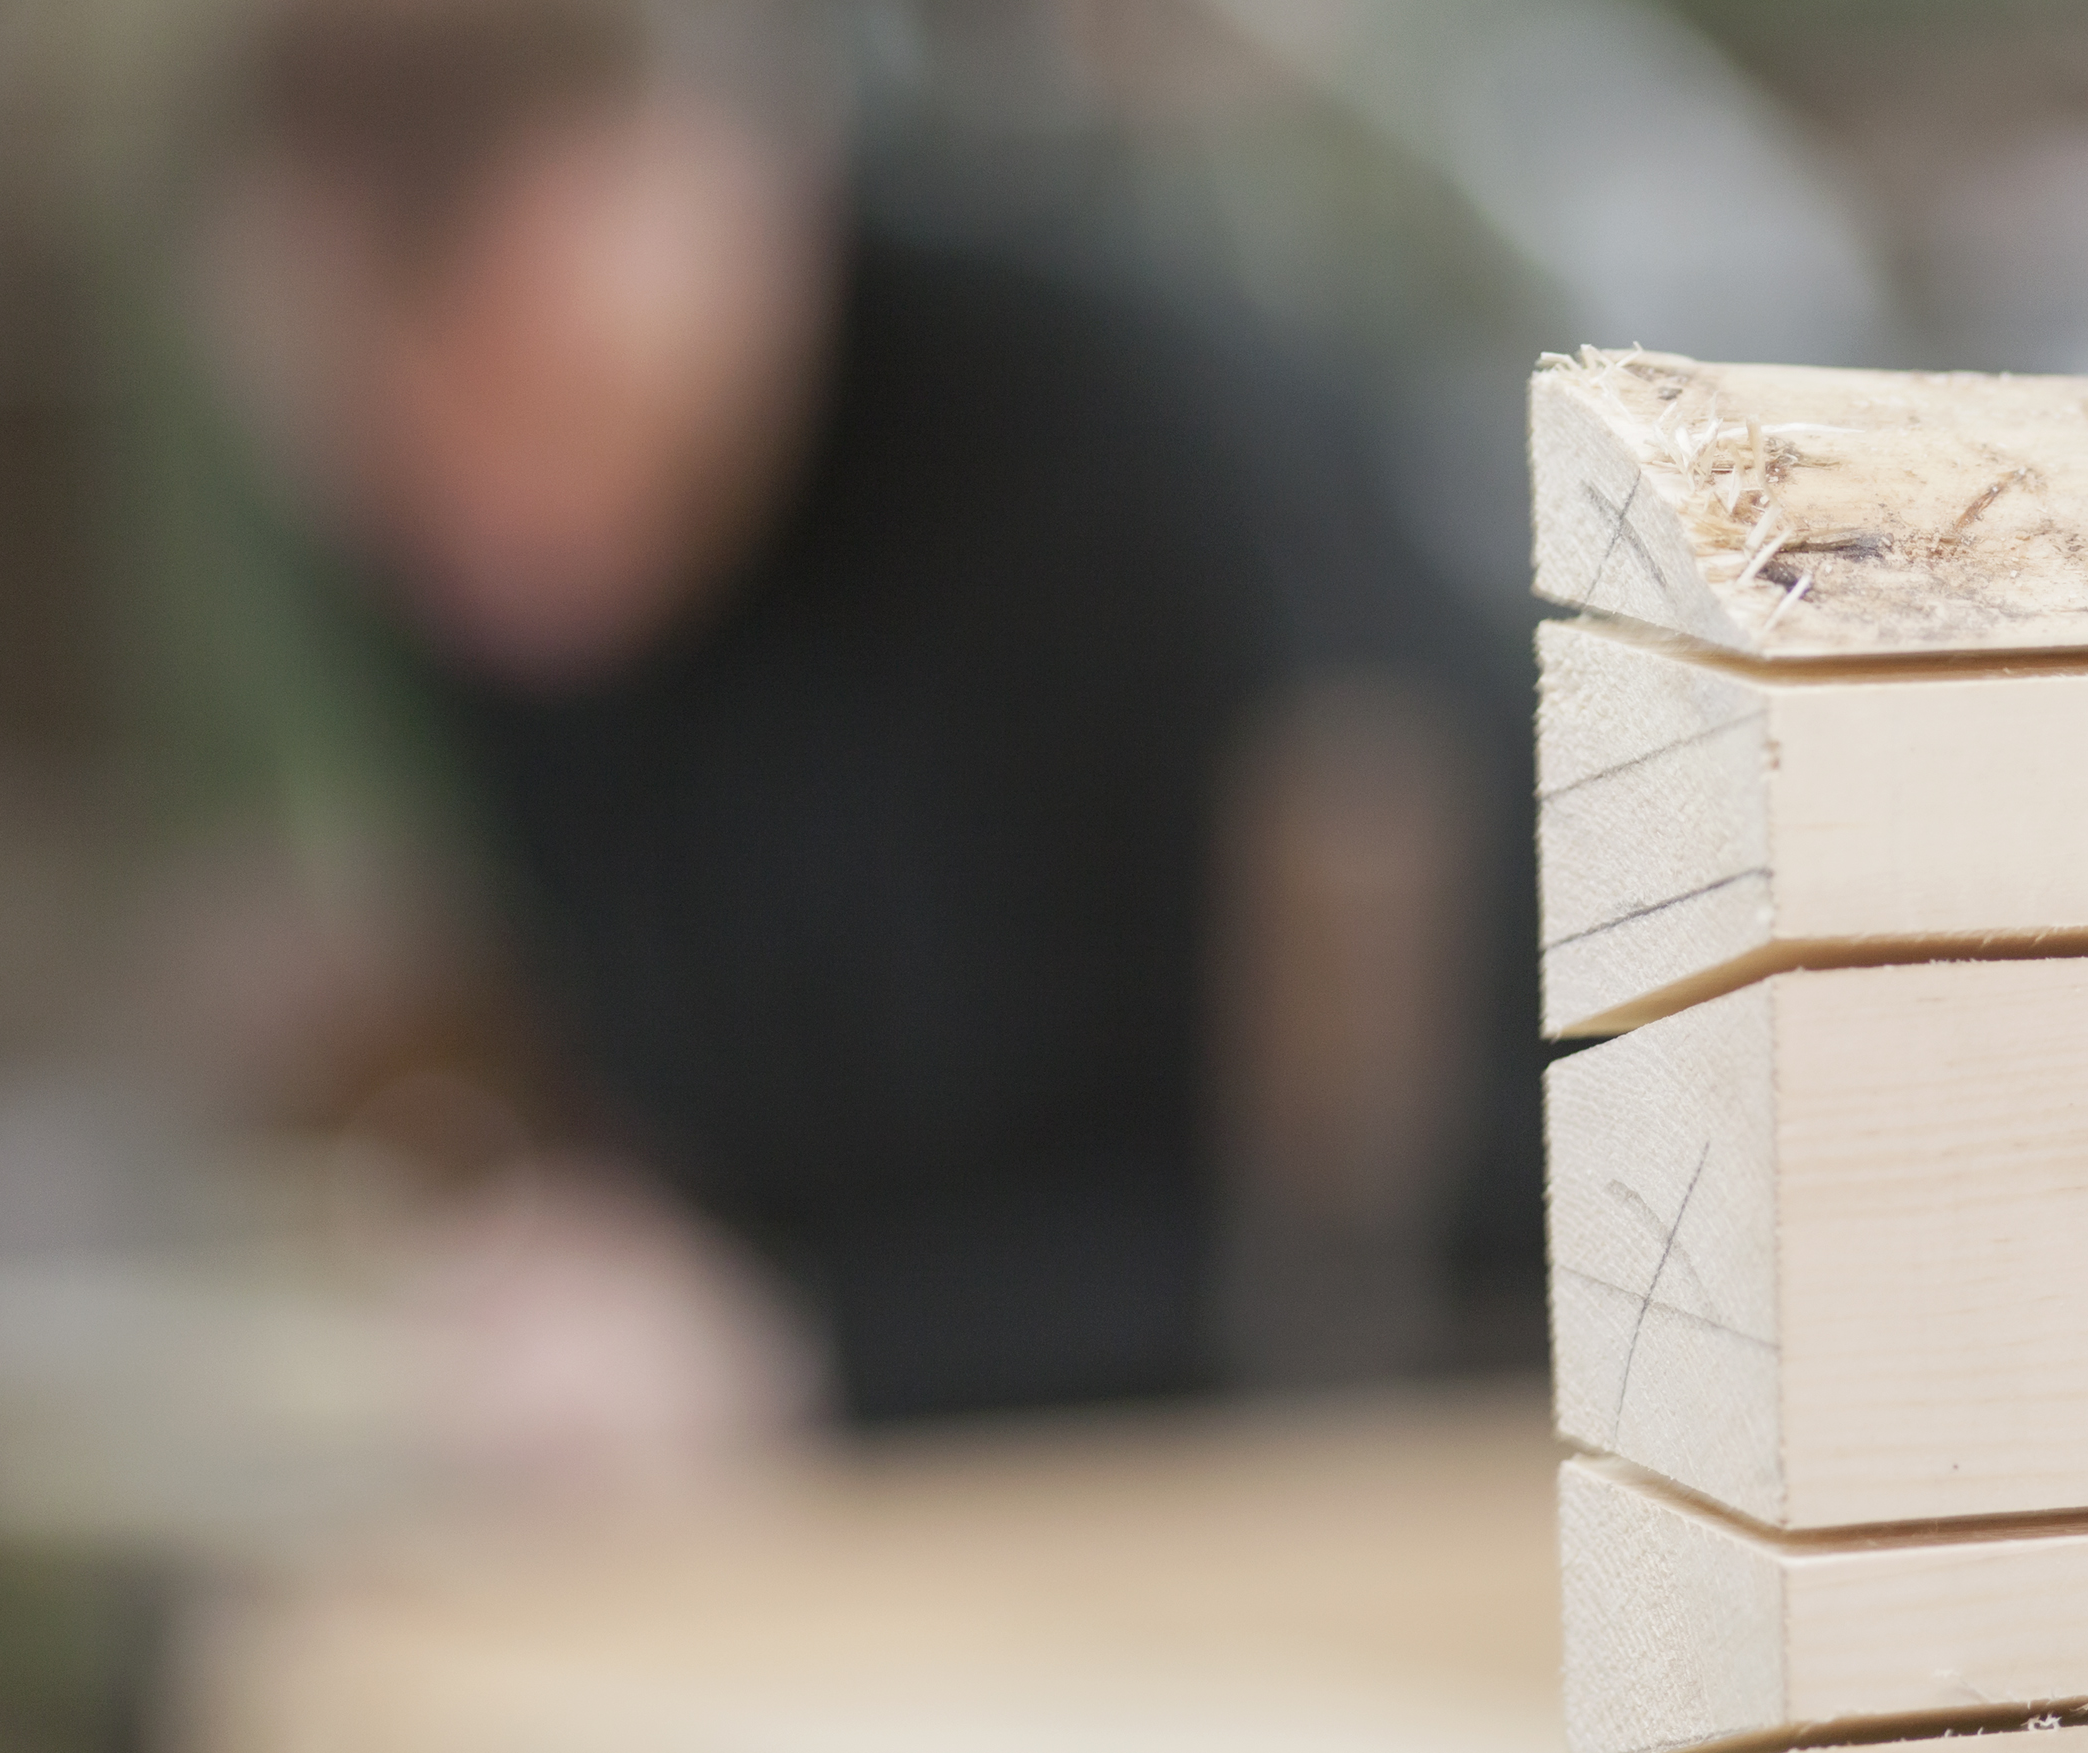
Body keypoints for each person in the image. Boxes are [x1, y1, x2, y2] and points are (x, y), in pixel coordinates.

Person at [199, 0, 1533, 1431]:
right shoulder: (475, 562)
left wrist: (802, 1351)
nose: (504, 547)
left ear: (754, 188)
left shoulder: (1132, 465)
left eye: (556, 401)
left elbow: (1393, 1239)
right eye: (407, 475)